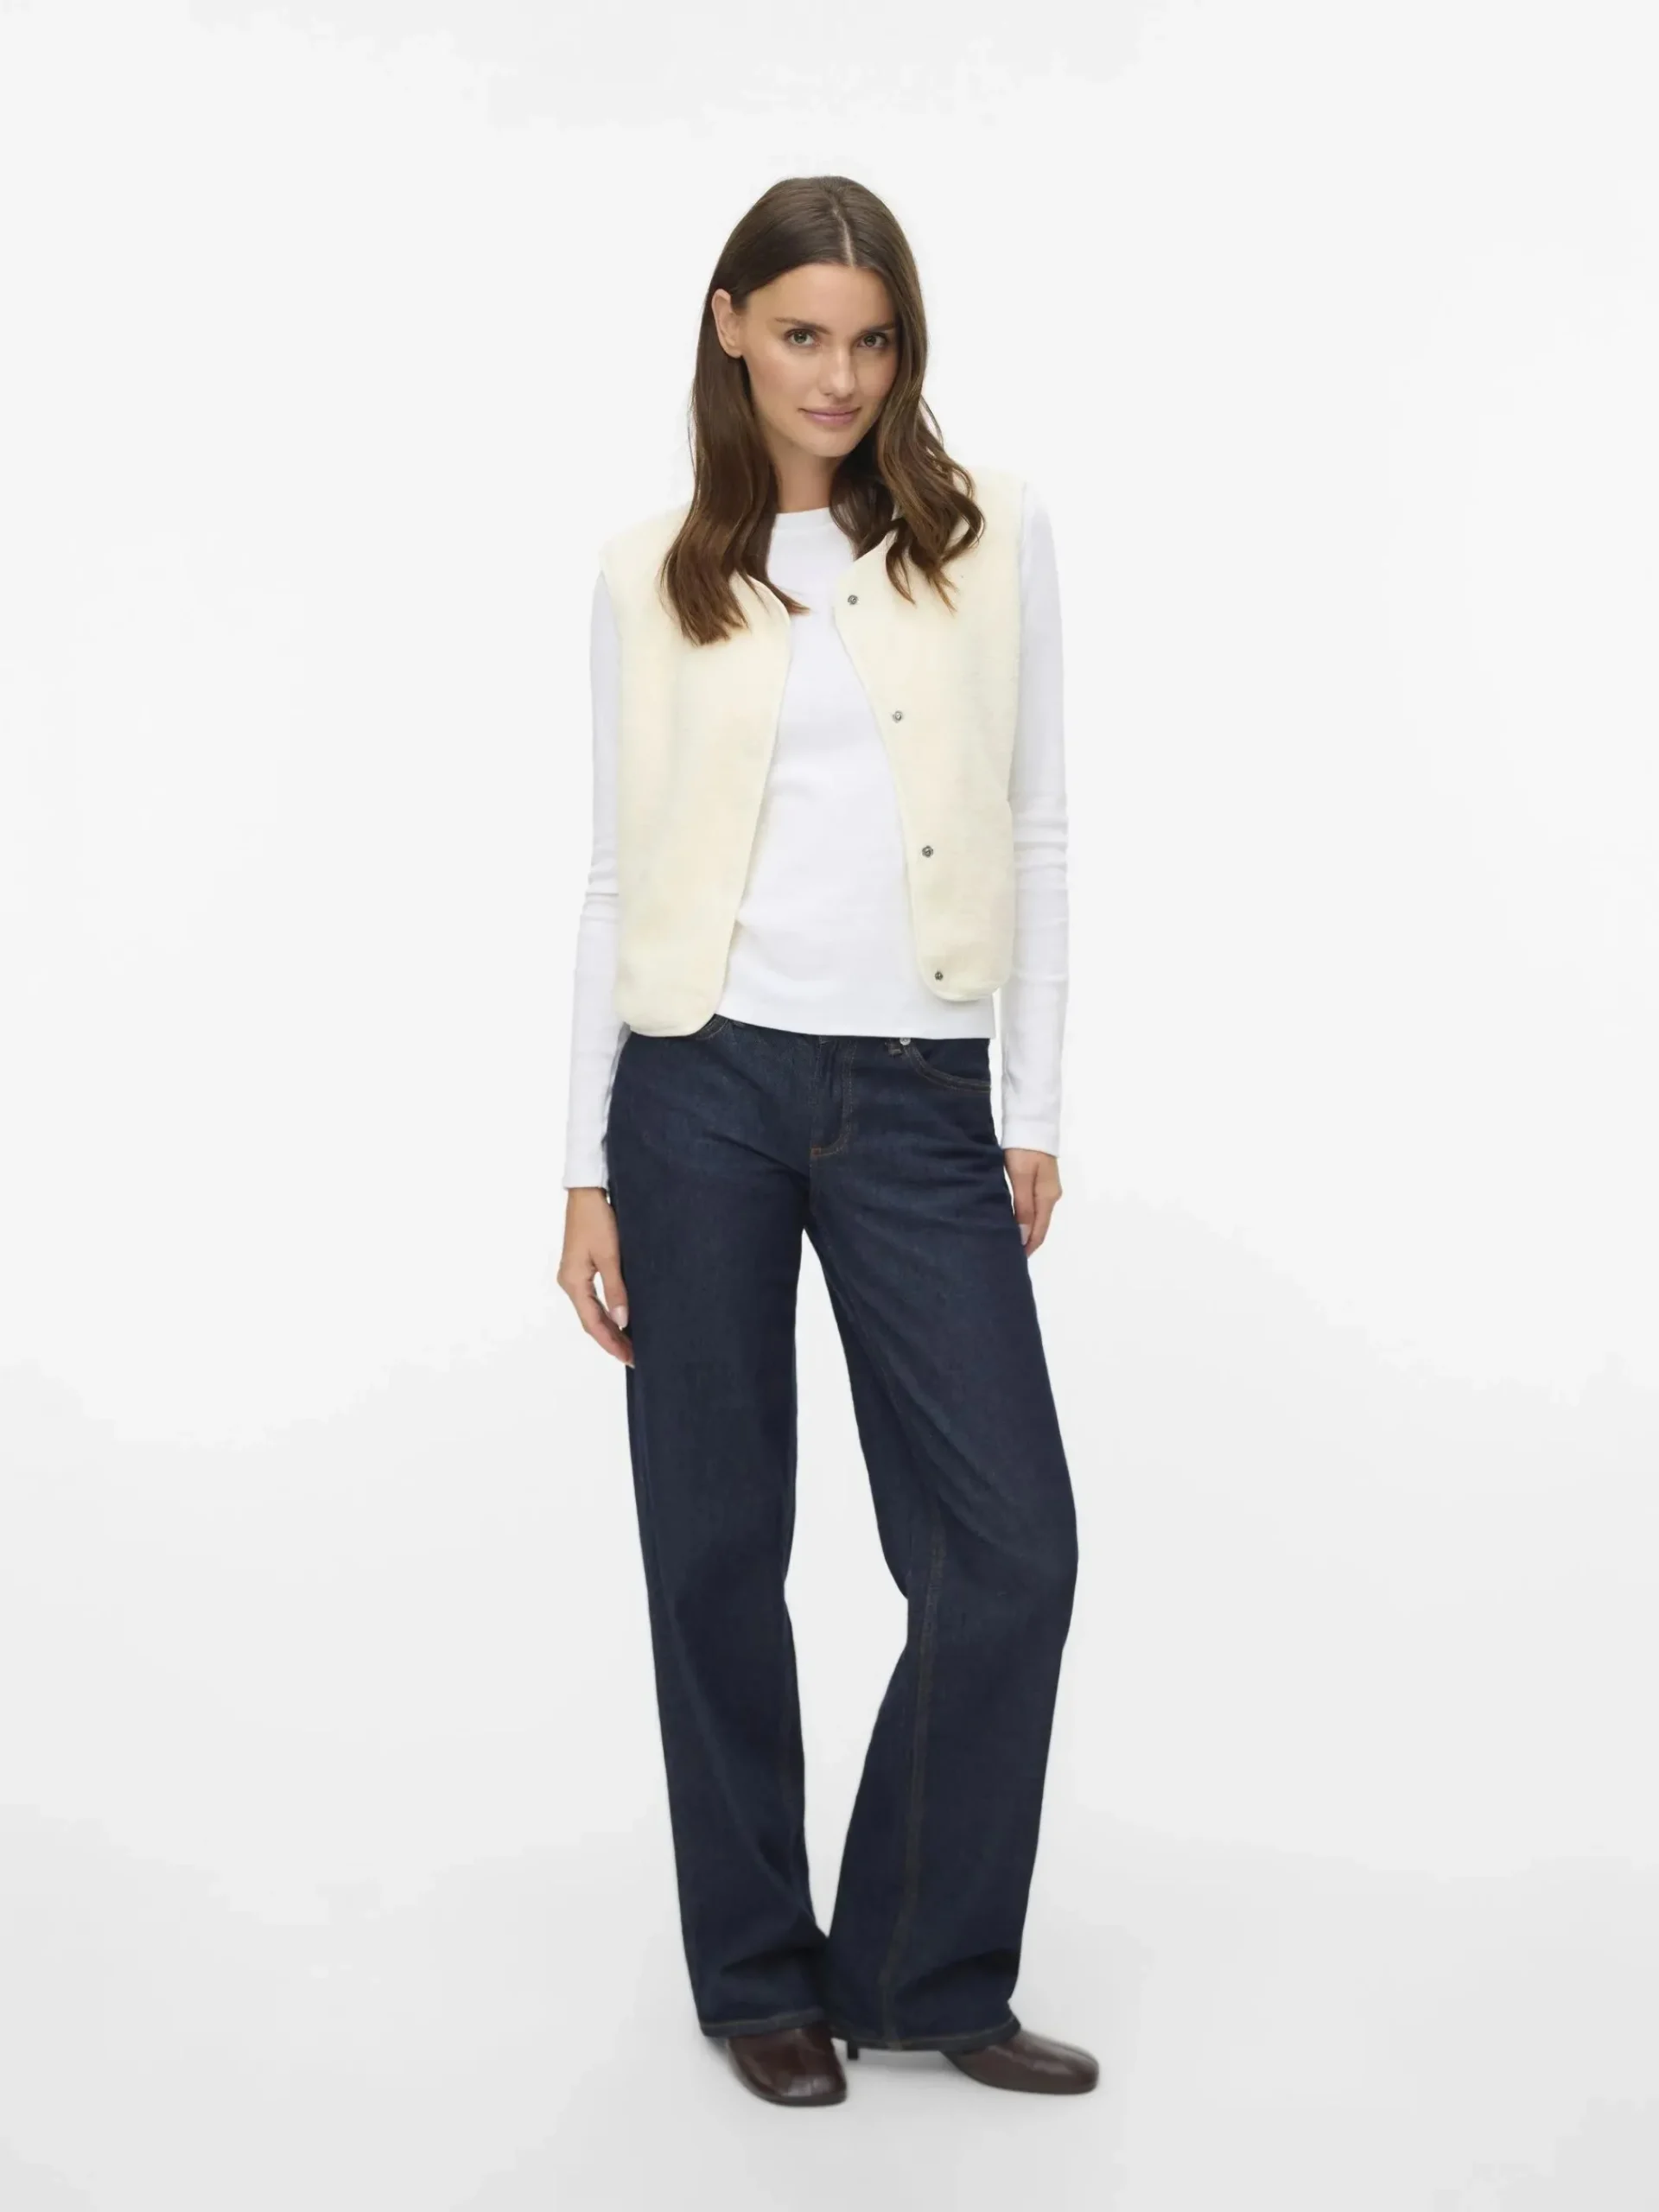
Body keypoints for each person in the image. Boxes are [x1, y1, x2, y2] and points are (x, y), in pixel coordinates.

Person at [557, 174, 1095, 2107]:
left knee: (1009, 1546)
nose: (839, 375)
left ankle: (923, 1964)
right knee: (715, 1542)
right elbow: (615, 874)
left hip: (918, 1097)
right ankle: (758, 1973)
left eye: (872, 341)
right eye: (802, 334)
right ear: (731, 328)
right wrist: (585, 1163)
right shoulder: (650, 573)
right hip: (696, 1090)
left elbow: (1037, 825)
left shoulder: (991, 537)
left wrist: (1030, 1106)